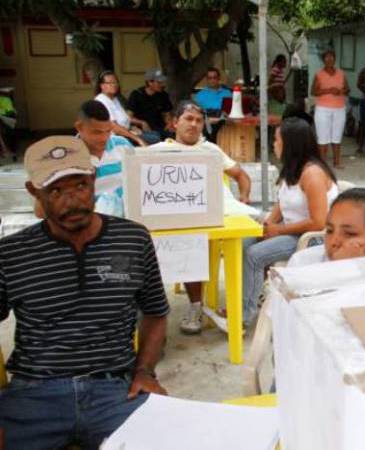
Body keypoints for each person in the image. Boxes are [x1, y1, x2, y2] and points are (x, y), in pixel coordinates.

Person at [0, 136, 169, 449]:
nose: (72, 201)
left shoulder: (132, 238)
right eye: (56, 191)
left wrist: (145, 371)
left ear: (93, 181)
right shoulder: (11, 253)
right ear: (33, 193)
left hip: (114, 389)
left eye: (80, 185)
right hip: (33, 394)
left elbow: (156, 312)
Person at [149, 101, 252, 334]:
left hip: (213, 217)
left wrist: (244, 197)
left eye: (198, 120)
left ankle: (211, 305)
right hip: (173, 221)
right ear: (175, 122)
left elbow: (241, 175)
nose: (194, 124)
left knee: (253, 237)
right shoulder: (157, 152)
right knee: (181, 242)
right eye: (188, 119)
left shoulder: (211, 151)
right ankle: (185, 306)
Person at [242, 117, 339, 324]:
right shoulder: (292, 168)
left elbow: (319, 222)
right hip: (291, 230)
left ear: (290, 144)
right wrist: (267, 224)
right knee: (243, 242)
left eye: (277, 140)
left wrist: (278, 230)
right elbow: (282, 202)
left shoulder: (312, 174)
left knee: (254, 255)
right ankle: (251, 296)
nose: (273, 144)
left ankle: (244, 314)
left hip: (311, 237)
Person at [288, 187, 365, 266]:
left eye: (350, 234)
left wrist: (346, 269)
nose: (334, 242)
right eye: (330, 230)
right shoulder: (302, 262)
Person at [76, 100, 135, 217]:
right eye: (97, 132)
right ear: (79, 127)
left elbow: (137, 180)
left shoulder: (122, 145)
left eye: (108, 131)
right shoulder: (69, 156)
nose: (104, 138)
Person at [312, 49, 349, 169]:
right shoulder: (319, 74)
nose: (330, 59)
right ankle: (323, 164)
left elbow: (348, 89)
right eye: (327, 57)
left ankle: (337, 162)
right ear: (323, 60)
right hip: (323, 109)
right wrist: (329, 90)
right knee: (323, 137)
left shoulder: (341, 74)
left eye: (332, 57)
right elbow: (313, 91)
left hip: (339, 108)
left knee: (337, 136)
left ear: (335, 59)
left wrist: (341, 91)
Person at [94, 70, 147, 146]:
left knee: (155, 136)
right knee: (153, 139)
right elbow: (114, 127)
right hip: (114, 140)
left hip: (126, 134)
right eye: (110, 83)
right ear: (102, 86)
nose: (114, 85)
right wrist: (137, 139)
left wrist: (132, 127)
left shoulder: (114, 99)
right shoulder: (101, 101)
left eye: (115, 82)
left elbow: (124, 119)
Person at [127, 68, 174, 144]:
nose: (162, 85)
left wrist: (169, 123)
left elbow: (167, 114)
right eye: (159, 82)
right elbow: (128, 117)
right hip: (142, 131)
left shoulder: (163, 95)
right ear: (150, 82)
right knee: (155, 138)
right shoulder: (136, 94)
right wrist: (142, 122)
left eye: (162, 82)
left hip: (160, 129)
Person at [194, 67, 232, 140]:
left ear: (218, 78)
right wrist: (206, 119)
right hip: (207, 121)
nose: (212, 80)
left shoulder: (227, 93)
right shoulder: (200, 95)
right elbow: (196, 113)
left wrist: (223, 116)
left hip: (223, 120)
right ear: (207, 80)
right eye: (210, 78)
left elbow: (231, 111)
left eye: (214, 77)